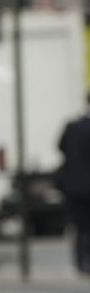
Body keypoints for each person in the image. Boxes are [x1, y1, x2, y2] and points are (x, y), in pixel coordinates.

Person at [56, 93, 90, 275]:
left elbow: (60, 147)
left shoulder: (72, 127)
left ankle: (81, 262)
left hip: (75, 186)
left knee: (80, 226)